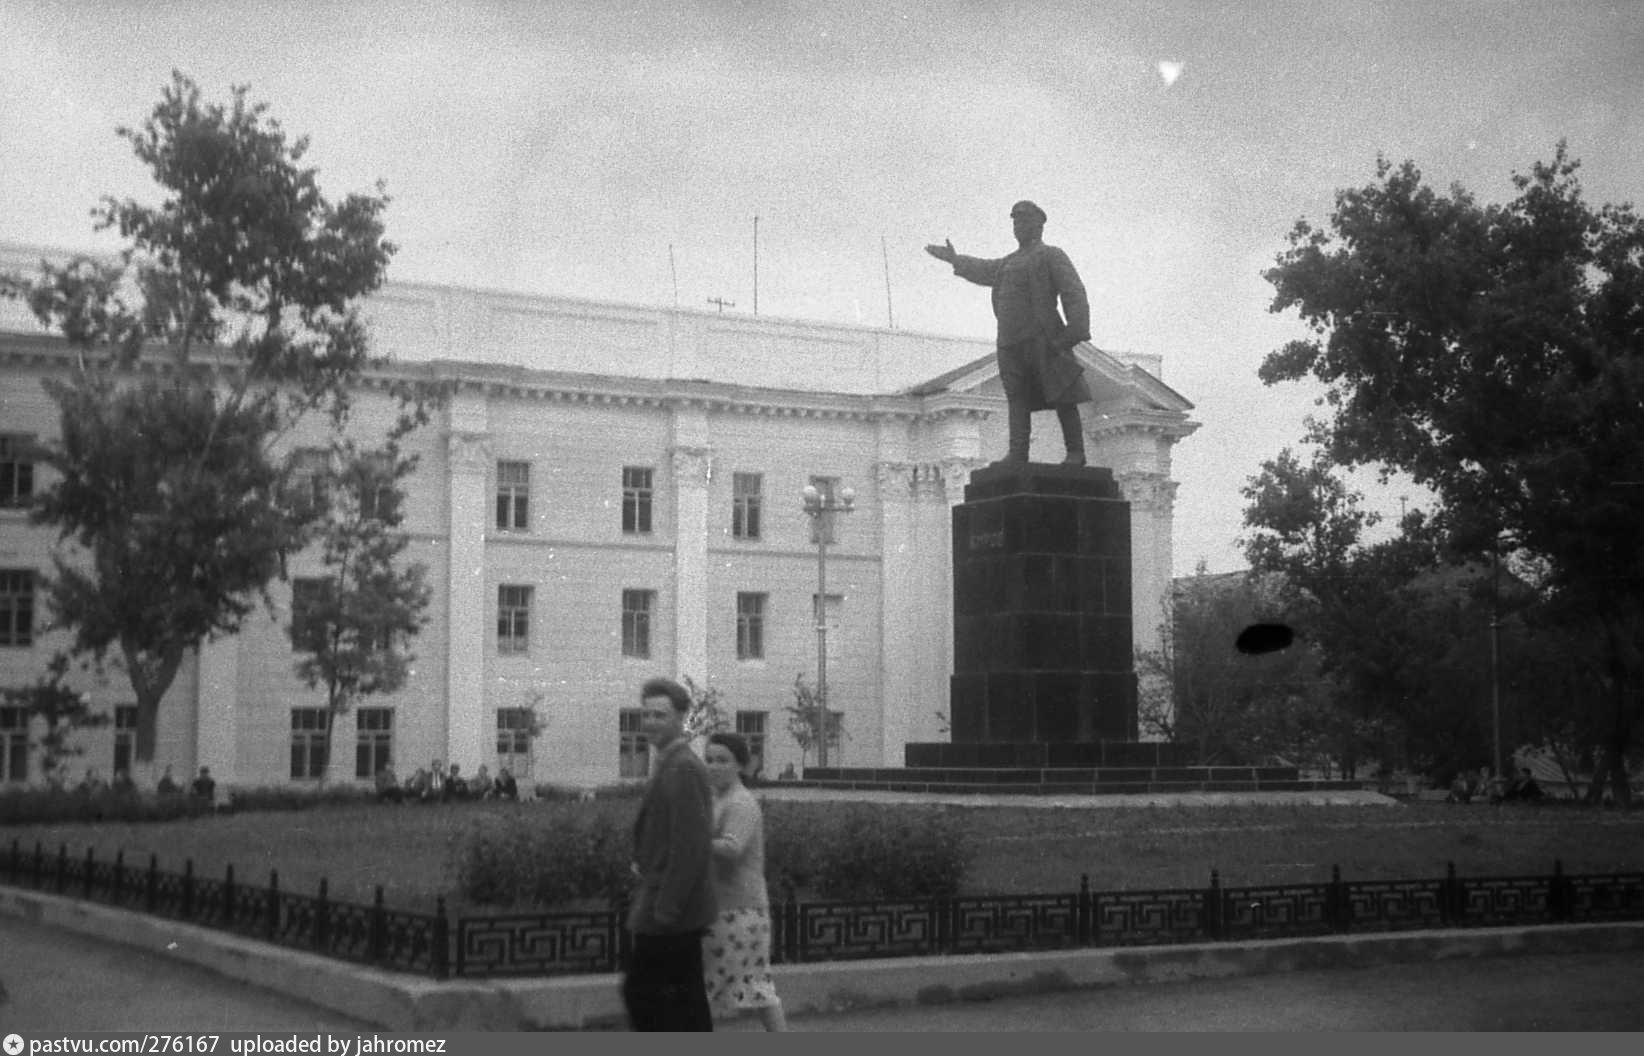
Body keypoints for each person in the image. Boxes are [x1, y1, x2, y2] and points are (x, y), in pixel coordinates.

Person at [926, 200, 1093, 466]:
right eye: (1015, 221)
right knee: (1017, 398)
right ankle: (1018, 453)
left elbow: (1073, 292)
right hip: (1010, 341)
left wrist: (1074, 332)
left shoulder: (1051, 255)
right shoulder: (1008, 263)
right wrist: (955, 259)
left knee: (1062, 393)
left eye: (1024, 221)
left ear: (1039, 225)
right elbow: (983, 269)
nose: (1019, 226)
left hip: (1044, 338)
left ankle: (1076, 452)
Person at [621, 676, 716, 1031]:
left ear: (680, 718)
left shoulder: (683, 767)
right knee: (684, 997)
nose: (650, 722)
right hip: (670, 902)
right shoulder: (670, 762)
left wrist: (667, 909)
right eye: (646, 714)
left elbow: (691, 846)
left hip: (671, 909)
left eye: (660, 715)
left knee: (643, 993)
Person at [701, 731, 787, 1031]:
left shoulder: (741, 802)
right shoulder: (715, 799)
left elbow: (732, 847)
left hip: (741, 913)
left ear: (741, 765)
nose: (714, 766)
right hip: (717, 909)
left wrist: (691, 842)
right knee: (711, 987)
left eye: (722, 760)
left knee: (757, 989)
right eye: (709, 759)